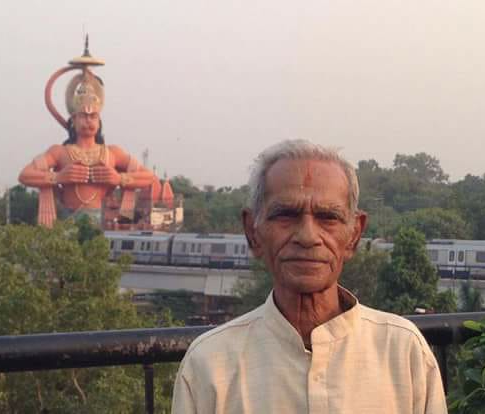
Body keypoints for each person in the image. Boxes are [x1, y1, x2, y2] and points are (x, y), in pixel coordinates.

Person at [171, 140, 447, 414]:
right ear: (252, 232)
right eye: (286, 215)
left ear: (354, 234)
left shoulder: (403, 352)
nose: (307, 236)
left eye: (328, 217)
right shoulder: (209, 365)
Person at [18, 42, 153, 227]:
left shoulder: (112, 153)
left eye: (93, 116)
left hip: (102, 223)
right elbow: (25, 175)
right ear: (73, 119)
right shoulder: (60, 152)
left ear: (99, 120)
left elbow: (148, 177)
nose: (88, 121)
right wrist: (57, 177)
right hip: (67, 222)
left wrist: (119, 178)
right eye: (83, 116)